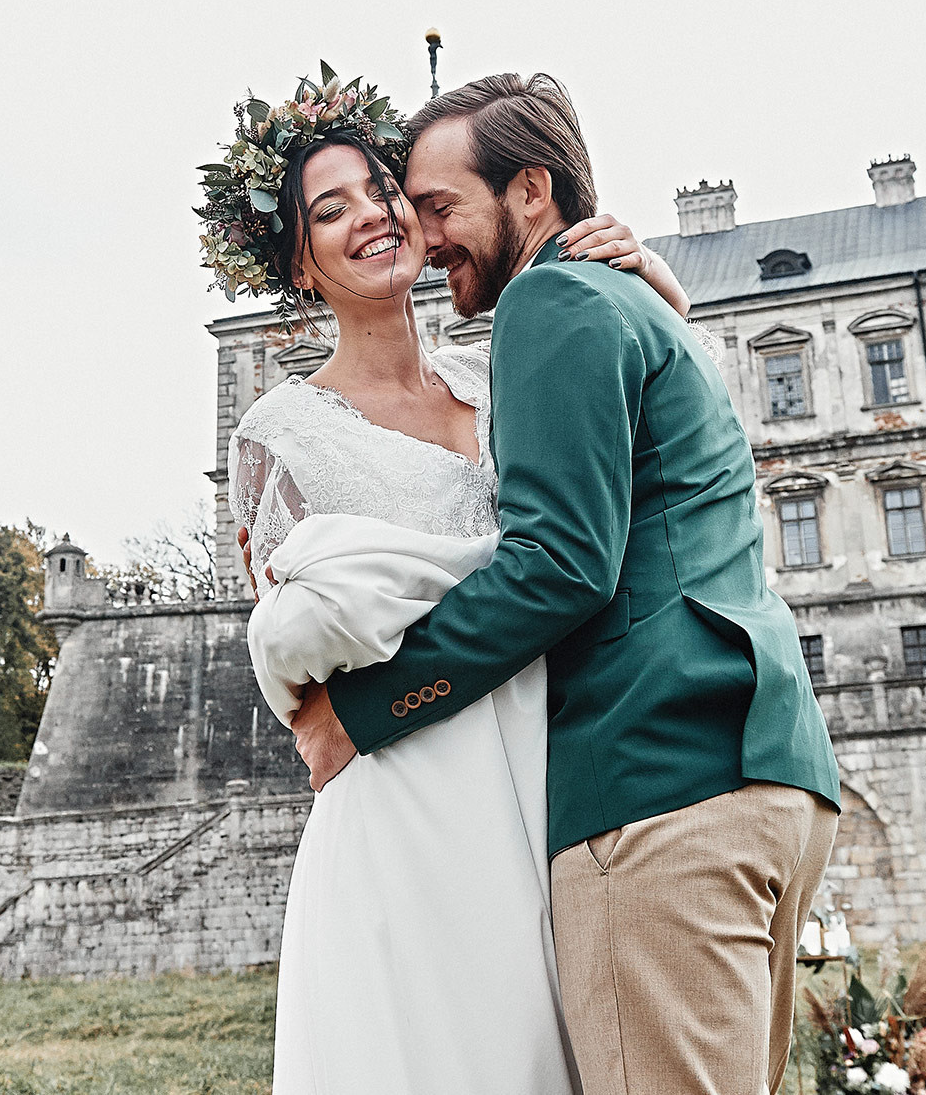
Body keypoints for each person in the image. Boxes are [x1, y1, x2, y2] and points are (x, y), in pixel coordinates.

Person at [288, 73, 841, 1095]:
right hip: (770, 772)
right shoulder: (642, 304)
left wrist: (360, 711)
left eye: (439, 205)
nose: (423, 231)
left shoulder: (546, 299)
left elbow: (561, 565)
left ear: (530, 190)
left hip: (657, 789)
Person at [208, 68, 701, 1095]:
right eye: (328, 210)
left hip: (554, 773)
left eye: (383, 193)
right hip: (412, 802)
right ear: (298, 262)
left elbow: (631, 492)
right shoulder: (278, 435)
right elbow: (292, 663)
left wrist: (650, 280)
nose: (373, 219)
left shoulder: (504, 363)